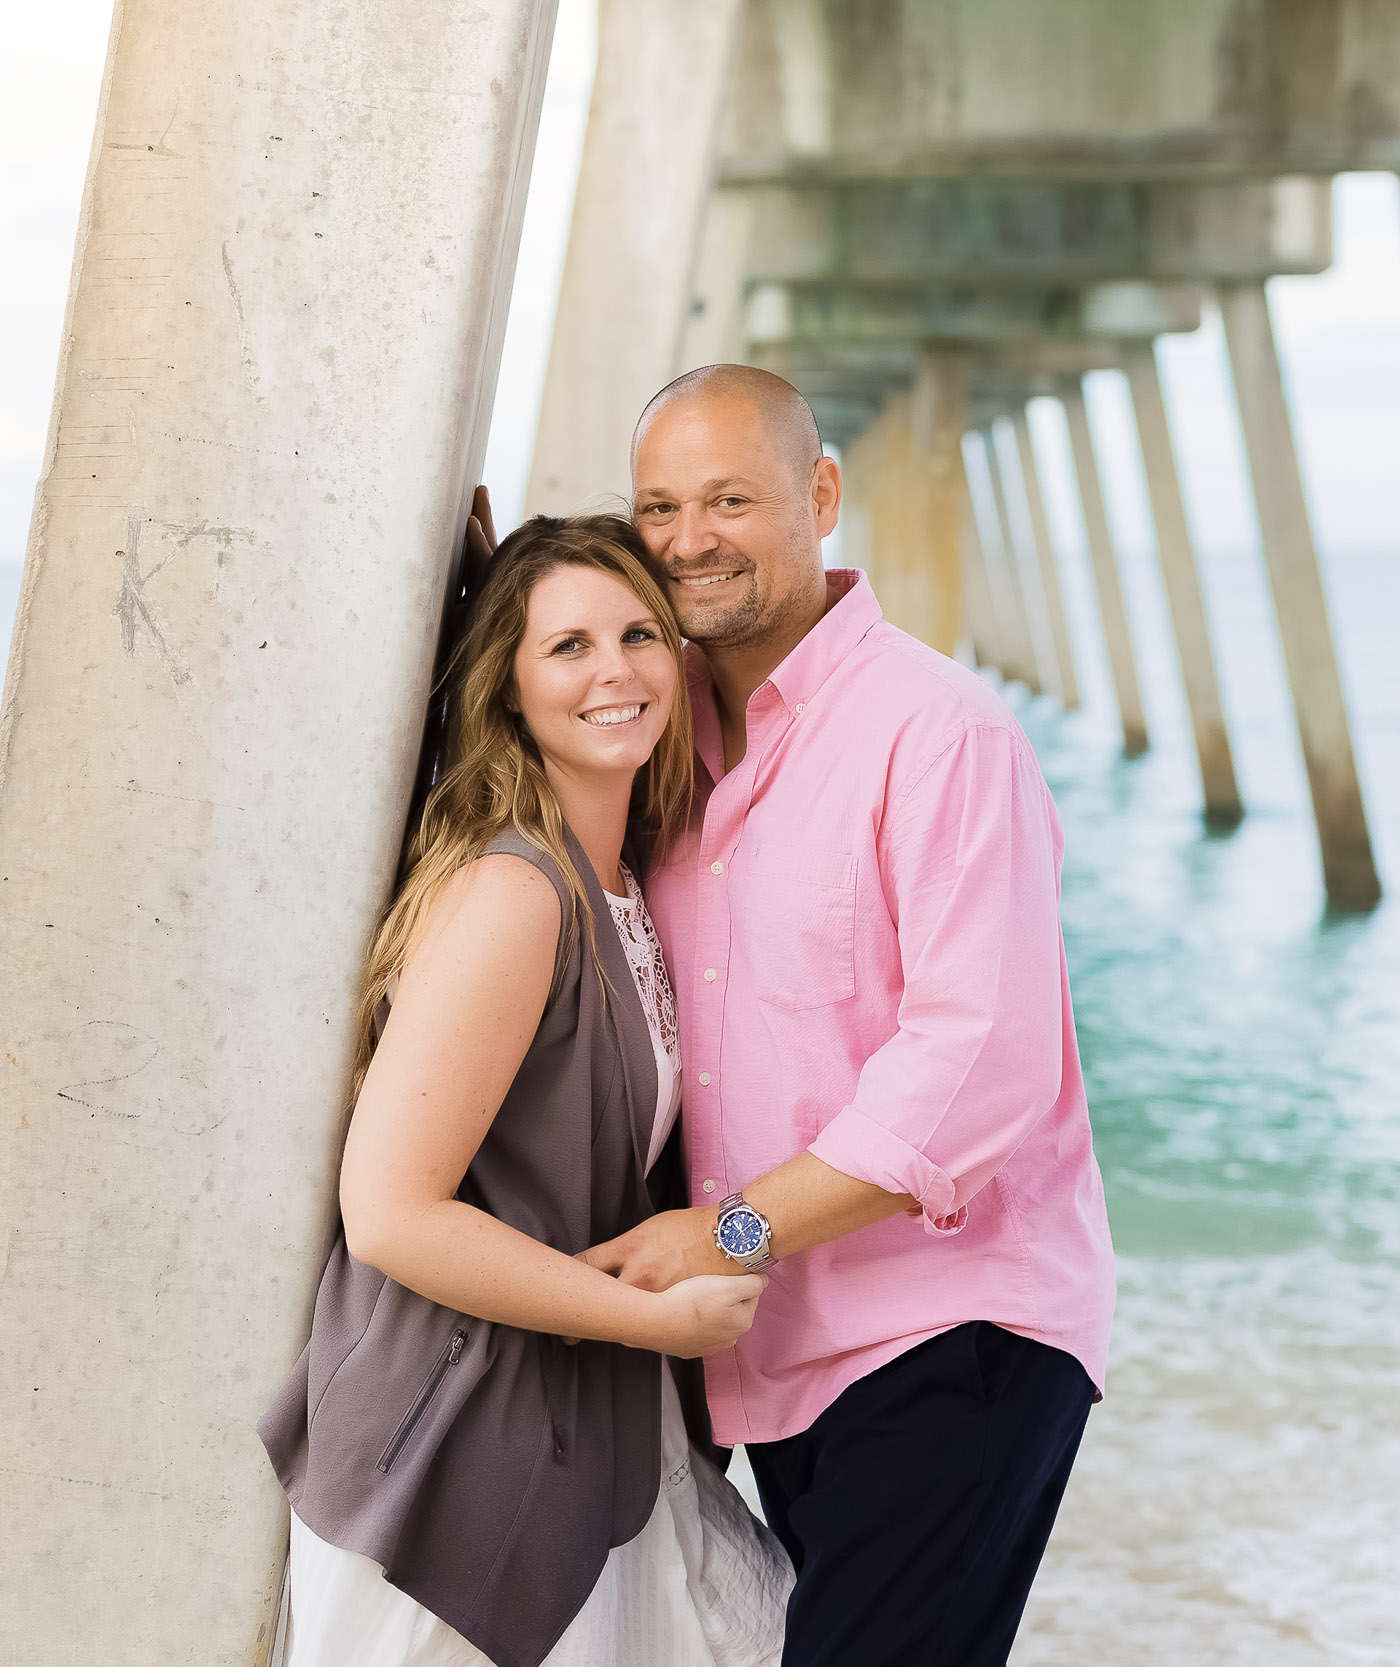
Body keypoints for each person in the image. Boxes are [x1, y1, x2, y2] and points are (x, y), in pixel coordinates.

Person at [577, 365, 1117, 1666]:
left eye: (728, 498)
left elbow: (973, 1059)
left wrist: (733, 1227)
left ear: (820, 495)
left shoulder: (937, 730)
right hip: (771, 1344)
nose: (689, 537)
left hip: (954, 1330)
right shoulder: (657, 739)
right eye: (659, 505)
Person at [258, 514, 793, 1667]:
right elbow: (392, 1212)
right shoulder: (517, 895)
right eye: (566, 646)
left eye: (639, 632)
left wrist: (737, 1235)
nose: (616, 670)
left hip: (581, 1421)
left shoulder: (623, 883)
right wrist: (650, 1318)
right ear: (504, 686)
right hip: (458, 1444)